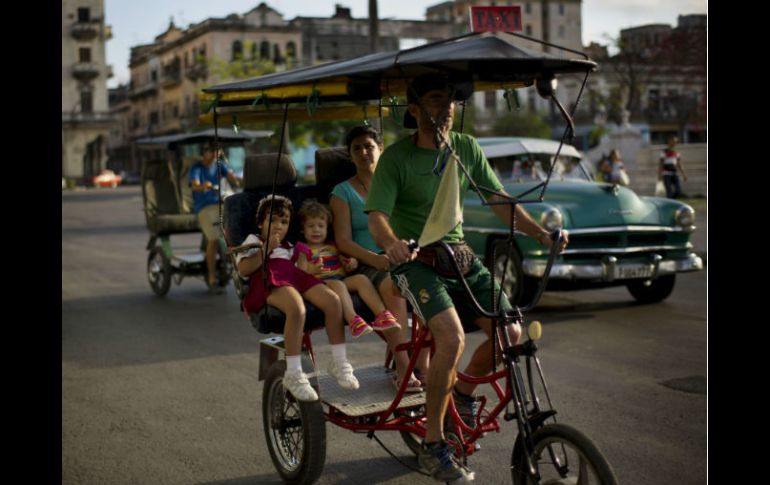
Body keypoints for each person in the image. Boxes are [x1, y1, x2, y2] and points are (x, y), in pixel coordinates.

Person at [364, 73, 568, 482]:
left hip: (461, 258)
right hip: (415, 263)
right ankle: (434, 444)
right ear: (415, 109)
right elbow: (377, 219)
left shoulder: (465, 148)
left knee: (510, 333)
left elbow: (500, 202)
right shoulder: (397, 158)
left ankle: (462, 391)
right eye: (437, 100)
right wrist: (392, 245)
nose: (447, 108)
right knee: (452, 338)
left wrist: (541, 235)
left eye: (452, 101)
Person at [234, 194, 360, 402]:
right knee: (297, 308)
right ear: (260, 223)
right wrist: (267, 249)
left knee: (333, 301)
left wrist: (307, 262)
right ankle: (293, 373)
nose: (278, 226)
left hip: (294, 277)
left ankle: (339, 361)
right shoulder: (254, 240)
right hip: (269, 279)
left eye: (283, 222)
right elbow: (244, 269)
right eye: (272, 220)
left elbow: (301, 270)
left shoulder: (290, 247)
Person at [329, 126, 425, 392]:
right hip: (366, 265)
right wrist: (376, 259)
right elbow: (344, 241)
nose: (363, 152)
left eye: (369, 146)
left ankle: (423, 362)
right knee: (393, 287)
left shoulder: (396, 185)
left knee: (432, 288)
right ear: (350, 155)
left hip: (403, 257)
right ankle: (405, 369)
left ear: (380, 149)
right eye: (356, 148)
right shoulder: (342, 192)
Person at [295, 200, 407, 341]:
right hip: (320, 284)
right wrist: (311, 268)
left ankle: (382, 315)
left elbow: (343, 264)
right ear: (302, 229)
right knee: (339, 285)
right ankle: (353, 319)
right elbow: (300, 272)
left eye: (320, 226)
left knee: (361, 279)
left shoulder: (332, 246)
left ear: (327, 228)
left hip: (339, 278)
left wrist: (350, 264)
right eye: (311, 226)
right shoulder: (303, 249)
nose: (316, 230)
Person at [189, 142, 241, 294]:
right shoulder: (197, 168)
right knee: (213, 238)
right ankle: (212, 278)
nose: (214, 154)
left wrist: (235, 178)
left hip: (222, 204)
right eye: (211, 151)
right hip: (205, 208)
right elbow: (194, 185)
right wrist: (203, 186)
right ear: (204, 152)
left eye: (216, 151)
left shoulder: (220, 165)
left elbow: (232, 177)